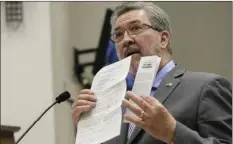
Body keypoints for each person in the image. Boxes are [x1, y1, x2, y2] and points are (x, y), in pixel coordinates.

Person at [72, 2, 232, 144]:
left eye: (136, 28)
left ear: (163, 39)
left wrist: (172, 133)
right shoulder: (113, 105)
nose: (126, 40)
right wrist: (85, 129)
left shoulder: (206, 87)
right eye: (119, 35)